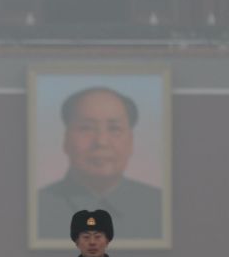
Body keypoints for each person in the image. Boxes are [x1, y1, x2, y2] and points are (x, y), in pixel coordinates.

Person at [37, 87, 163, 240]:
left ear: (131, 141)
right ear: (66, 140)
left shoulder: (159, 206)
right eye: (86, 128)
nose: (101, 142)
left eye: (114, 128)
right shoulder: (37, 208)